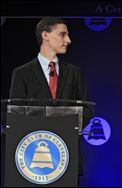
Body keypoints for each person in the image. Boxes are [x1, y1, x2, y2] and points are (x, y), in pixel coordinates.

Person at [9, 17, 91, 179]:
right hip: (31, 159)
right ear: (45, 35)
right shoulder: (22, 73)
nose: (68, 40)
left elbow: (87, 110)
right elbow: (12, 114)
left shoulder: (74, 72)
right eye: (62, 35)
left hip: (67, 155)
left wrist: (64, 123)